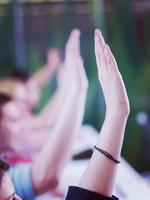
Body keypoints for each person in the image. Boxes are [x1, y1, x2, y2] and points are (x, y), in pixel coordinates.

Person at [0, 28, 129, 200]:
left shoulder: (6, 170)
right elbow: (45, 174)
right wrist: (73, 89)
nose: (22, 121)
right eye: (14, 118)